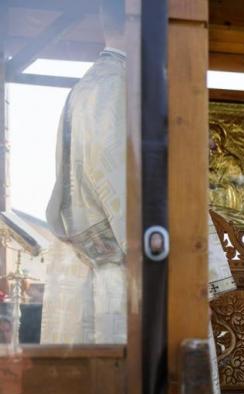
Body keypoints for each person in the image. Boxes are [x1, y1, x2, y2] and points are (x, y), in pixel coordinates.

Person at [43, 0, 128, 344]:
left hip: (106, 268)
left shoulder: (92, 84)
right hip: (128, 274)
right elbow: (117, 182)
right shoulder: (116, 86)